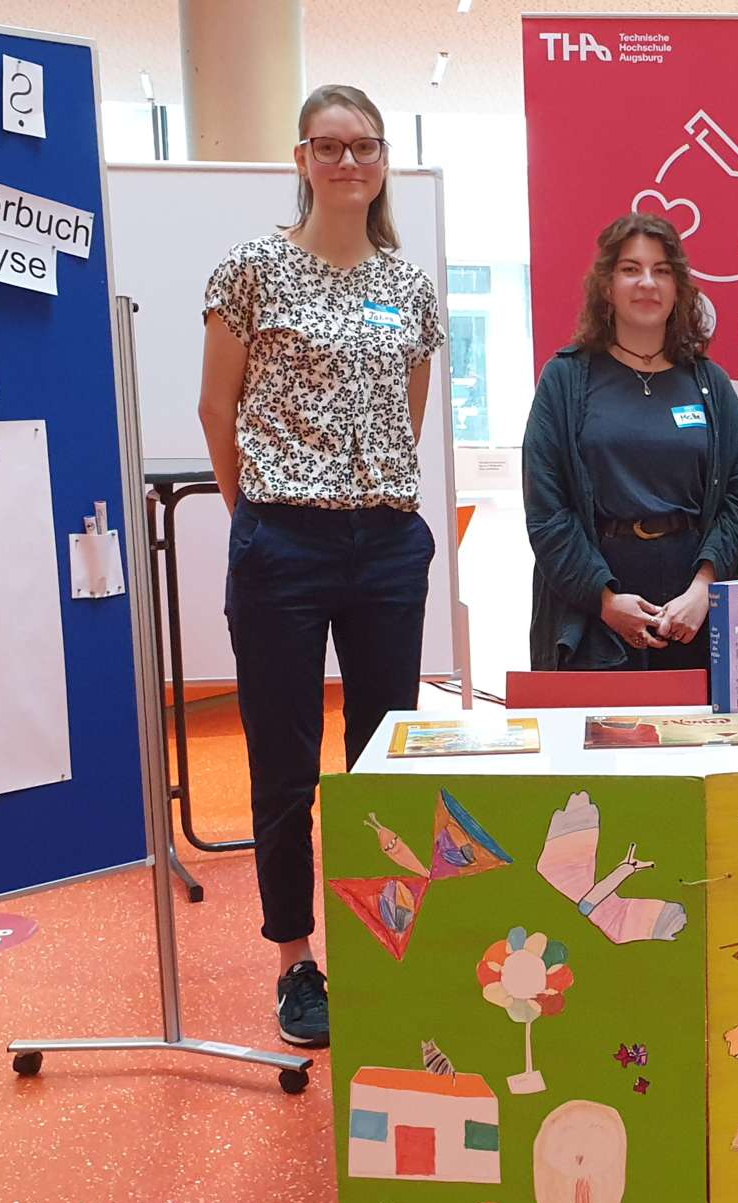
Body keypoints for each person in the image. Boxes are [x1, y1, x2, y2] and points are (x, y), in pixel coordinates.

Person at [196, 84, 444, 1047]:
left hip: (384, 543)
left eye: (364, 147)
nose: (348, 162)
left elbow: (406, 416)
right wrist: (257, 516)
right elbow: (218, 409)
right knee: (285, 765)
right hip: (282, 541)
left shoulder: (407, 287)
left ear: (383, 162)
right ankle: (296, 962)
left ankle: (382, 947)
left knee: (383, 758)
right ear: (301, 159)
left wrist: (362, 499)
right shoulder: (251, 268)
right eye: (329, 146)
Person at [524, 213, 738, 670]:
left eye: (661, 270)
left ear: (678, 288)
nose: (647, 283)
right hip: (593, 604)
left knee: (698, 719)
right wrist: (605, 599)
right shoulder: (565, 379)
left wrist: (704, 590)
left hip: (691, 608)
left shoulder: (711, 383)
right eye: (631, 269)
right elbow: (547, 510)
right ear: (607, 286)